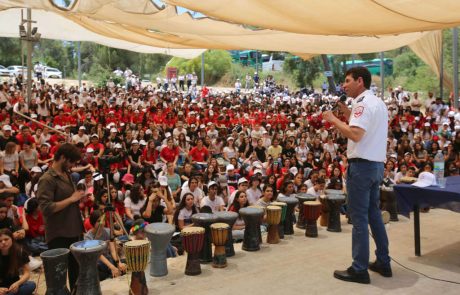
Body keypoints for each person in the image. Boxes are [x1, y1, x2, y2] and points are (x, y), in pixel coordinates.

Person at [323, 67, 391, 284]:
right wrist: (344, 112)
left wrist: (333, 119)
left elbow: (355, 134)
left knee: (359, 218)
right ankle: (383, 261)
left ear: (359, 81)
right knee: (373, 214)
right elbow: (361, 125)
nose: (344, 85)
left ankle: (359, 269)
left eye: (347, 80)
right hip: (376, 166)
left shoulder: (362, 103)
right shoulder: (377, 103)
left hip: (361, 168)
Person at [36, 143, 86, 291]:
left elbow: (69, 199)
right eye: (71, 162)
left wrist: (77, 199)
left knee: (76, 275)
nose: (72, 166)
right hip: (59, 234)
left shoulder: (67, 174)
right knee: (58, 280)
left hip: (74, 230)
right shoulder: (47, 179)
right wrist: (71, 199)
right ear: (63, 157)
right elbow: (46, 208)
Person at [0, 229, 36, 295]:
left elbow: (27, 273)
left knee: (31, 285)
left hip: (15, 286)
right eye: (0, 241)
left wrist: (18, 283)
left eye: (6, 239)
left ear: (12, 239)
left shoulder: (20, 251)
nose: (3, 242)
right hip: (1, 288)